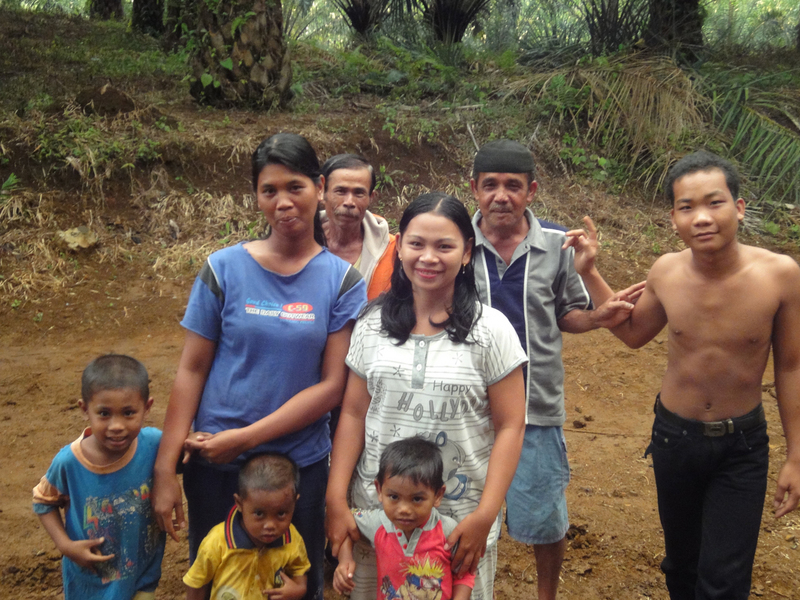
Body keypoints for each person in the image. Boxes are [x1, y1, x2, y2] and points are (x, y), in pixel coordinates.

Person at [151, 133, 367, 600]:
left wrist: (246, 439)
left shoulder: (343, 281)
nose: (284, 202)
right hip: (217, 467)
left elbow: (333, 387)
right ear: (256, 197)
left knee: (293, 586)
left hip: (297, 470)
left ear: (320, 187)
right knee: (218, 582)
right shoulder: (222, 269)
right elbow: (191, 370)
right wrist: (165, 469)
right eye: (269, 191)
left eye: (295, 187)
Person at [604, 150, 800, 600]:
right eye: (687, 207)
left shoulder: (780, 275)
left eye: (715, 203)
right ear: (673, 217)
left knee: (725, 580)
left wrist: (796, 455)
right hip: (675, 439)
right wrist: (592, 273)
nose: (702, 218)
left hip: (742, 446)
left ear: (740, 207)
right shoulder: (666, 271)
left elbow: (791, 365)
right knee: (681, 567)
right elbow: (633, 334)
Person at [326, 192, 528, 600]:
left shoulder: (492, 330)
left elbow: (511, 425)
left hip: (460, 521)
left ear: (467, 252)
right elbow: (352, 413)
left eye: (445, 246)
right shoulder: (371, 323)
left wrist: (485, 515)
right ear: (399, 247)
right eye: (417, 243)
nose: (428, 257)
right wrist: (335, 497)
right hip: (378, 513)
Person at [468, 139, 640, 600]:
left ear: (532, 191)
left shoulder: (558, 245)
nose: (501, 195)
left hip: (535, 405)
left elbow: (568, 315)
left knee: (544, 516)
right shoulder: (457, 243)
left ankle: (547, 594)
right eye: (490, 185)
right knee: (463, 509)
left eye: (513, 186)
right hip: (467, 402)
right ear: (474, 190)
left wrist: (596, 318)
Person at [32, 354, 165, 600]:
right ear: (85, 409)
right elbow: (43, 502)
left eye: (128, 413)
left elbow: (183, 450)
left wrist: (196, 441)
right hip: (91, 583)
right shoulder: (69, 462)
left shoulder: (154, 444)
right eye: (104, 413)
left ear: (147, 408)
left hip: (142, 576)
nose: (116, 425)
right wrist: (66, 546)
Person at [334, 437, 475, 600]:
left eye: (417, 499)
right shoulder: (379, 523)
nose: (404, 510)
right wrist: (344, 560)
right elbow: (345, 524)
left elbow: (465, 573)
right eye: (394, 496)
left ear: (438, 495)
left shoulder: (448, 531)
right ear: (379, 490)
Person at [184, 453, 310, 600]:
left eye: (281, 513)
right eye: (259, 513)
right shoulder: (217, 541)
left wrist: (299, 589)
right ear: (239, 503)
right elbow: (196, 582)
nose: (270, 525)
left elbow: (300, 568)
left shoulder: (291, 538)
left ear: (294, 503)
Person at [320, 153, 396, 300]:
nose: (349, 202)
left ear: (371, 198)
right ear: (322, 193)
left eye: (359, 193)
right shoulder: (297, 243)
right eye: (340, 191)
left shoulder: (393, 251)